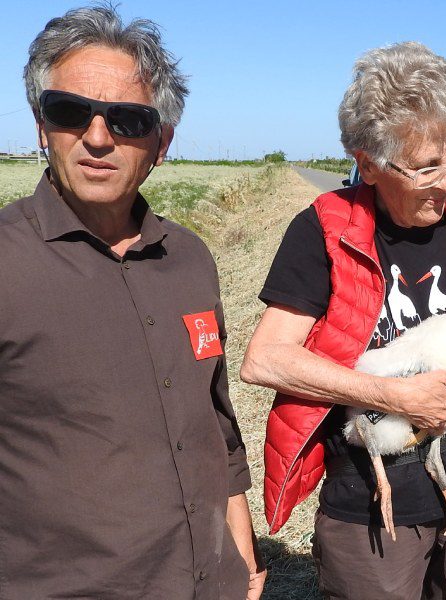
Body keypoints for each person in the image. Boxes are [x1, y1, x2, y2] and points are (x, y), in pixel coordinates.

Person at [240, 42, 446, 599]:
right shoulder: (323, 233)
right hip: (372, 505)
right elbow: (265, 359)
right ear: (368, 164)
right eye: (428, 167)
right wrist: (393, 396)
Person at [0, 6, 264, 598]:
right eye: (70, 112)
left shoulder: (190, 258)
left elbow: (215, 426)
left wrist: (242, 559)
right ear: (42, 127)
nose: (97, 137)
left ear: (161, 142)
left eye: (127, 119)